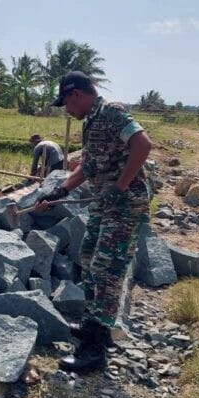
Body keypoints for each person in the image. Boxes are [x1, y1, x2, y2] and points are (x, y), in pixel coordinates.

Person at [36, 71, 152, 372]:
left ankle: (96, 349)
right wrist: (60, 189)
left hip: (124, 203)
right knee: (88, 257)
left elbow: (143, 144)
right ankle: (92, 324)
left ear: (76, 94)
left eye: (66, 103)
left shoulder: (111, 112)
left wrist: (122, 184)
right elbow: (88, 167)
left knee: (107, 268)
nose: (67, 111)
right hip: (105, 202)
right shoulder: (90, 122)